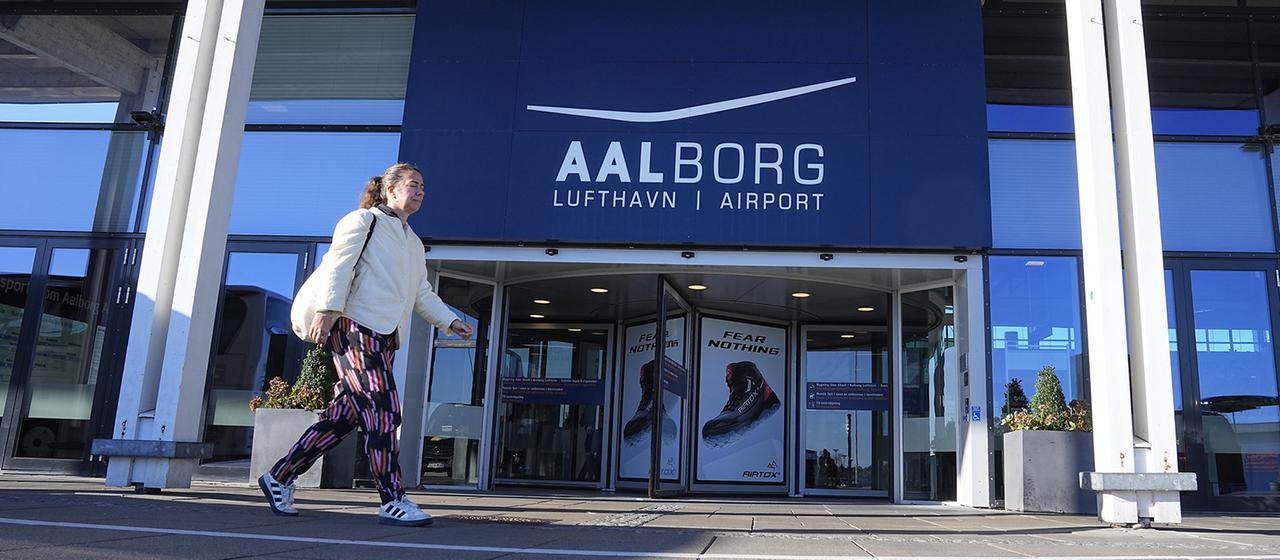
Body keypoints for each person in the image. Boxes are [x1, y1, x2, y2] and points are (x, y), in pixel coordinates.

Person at [257, 162, 474, 527]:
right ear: (390, 189)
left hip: (384, 336)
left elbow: (421, 291)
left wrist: (450, 320)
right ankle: (392, 499)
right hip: (355, 327)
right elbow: (337, 267)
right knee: (385, 411)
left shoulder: (413, 241)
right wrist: (328, 312)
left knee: (344, 417)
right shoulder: (362, 221)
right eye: (413, 185)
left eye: (423, 187)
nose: (421, 191)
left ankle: (279, 476)